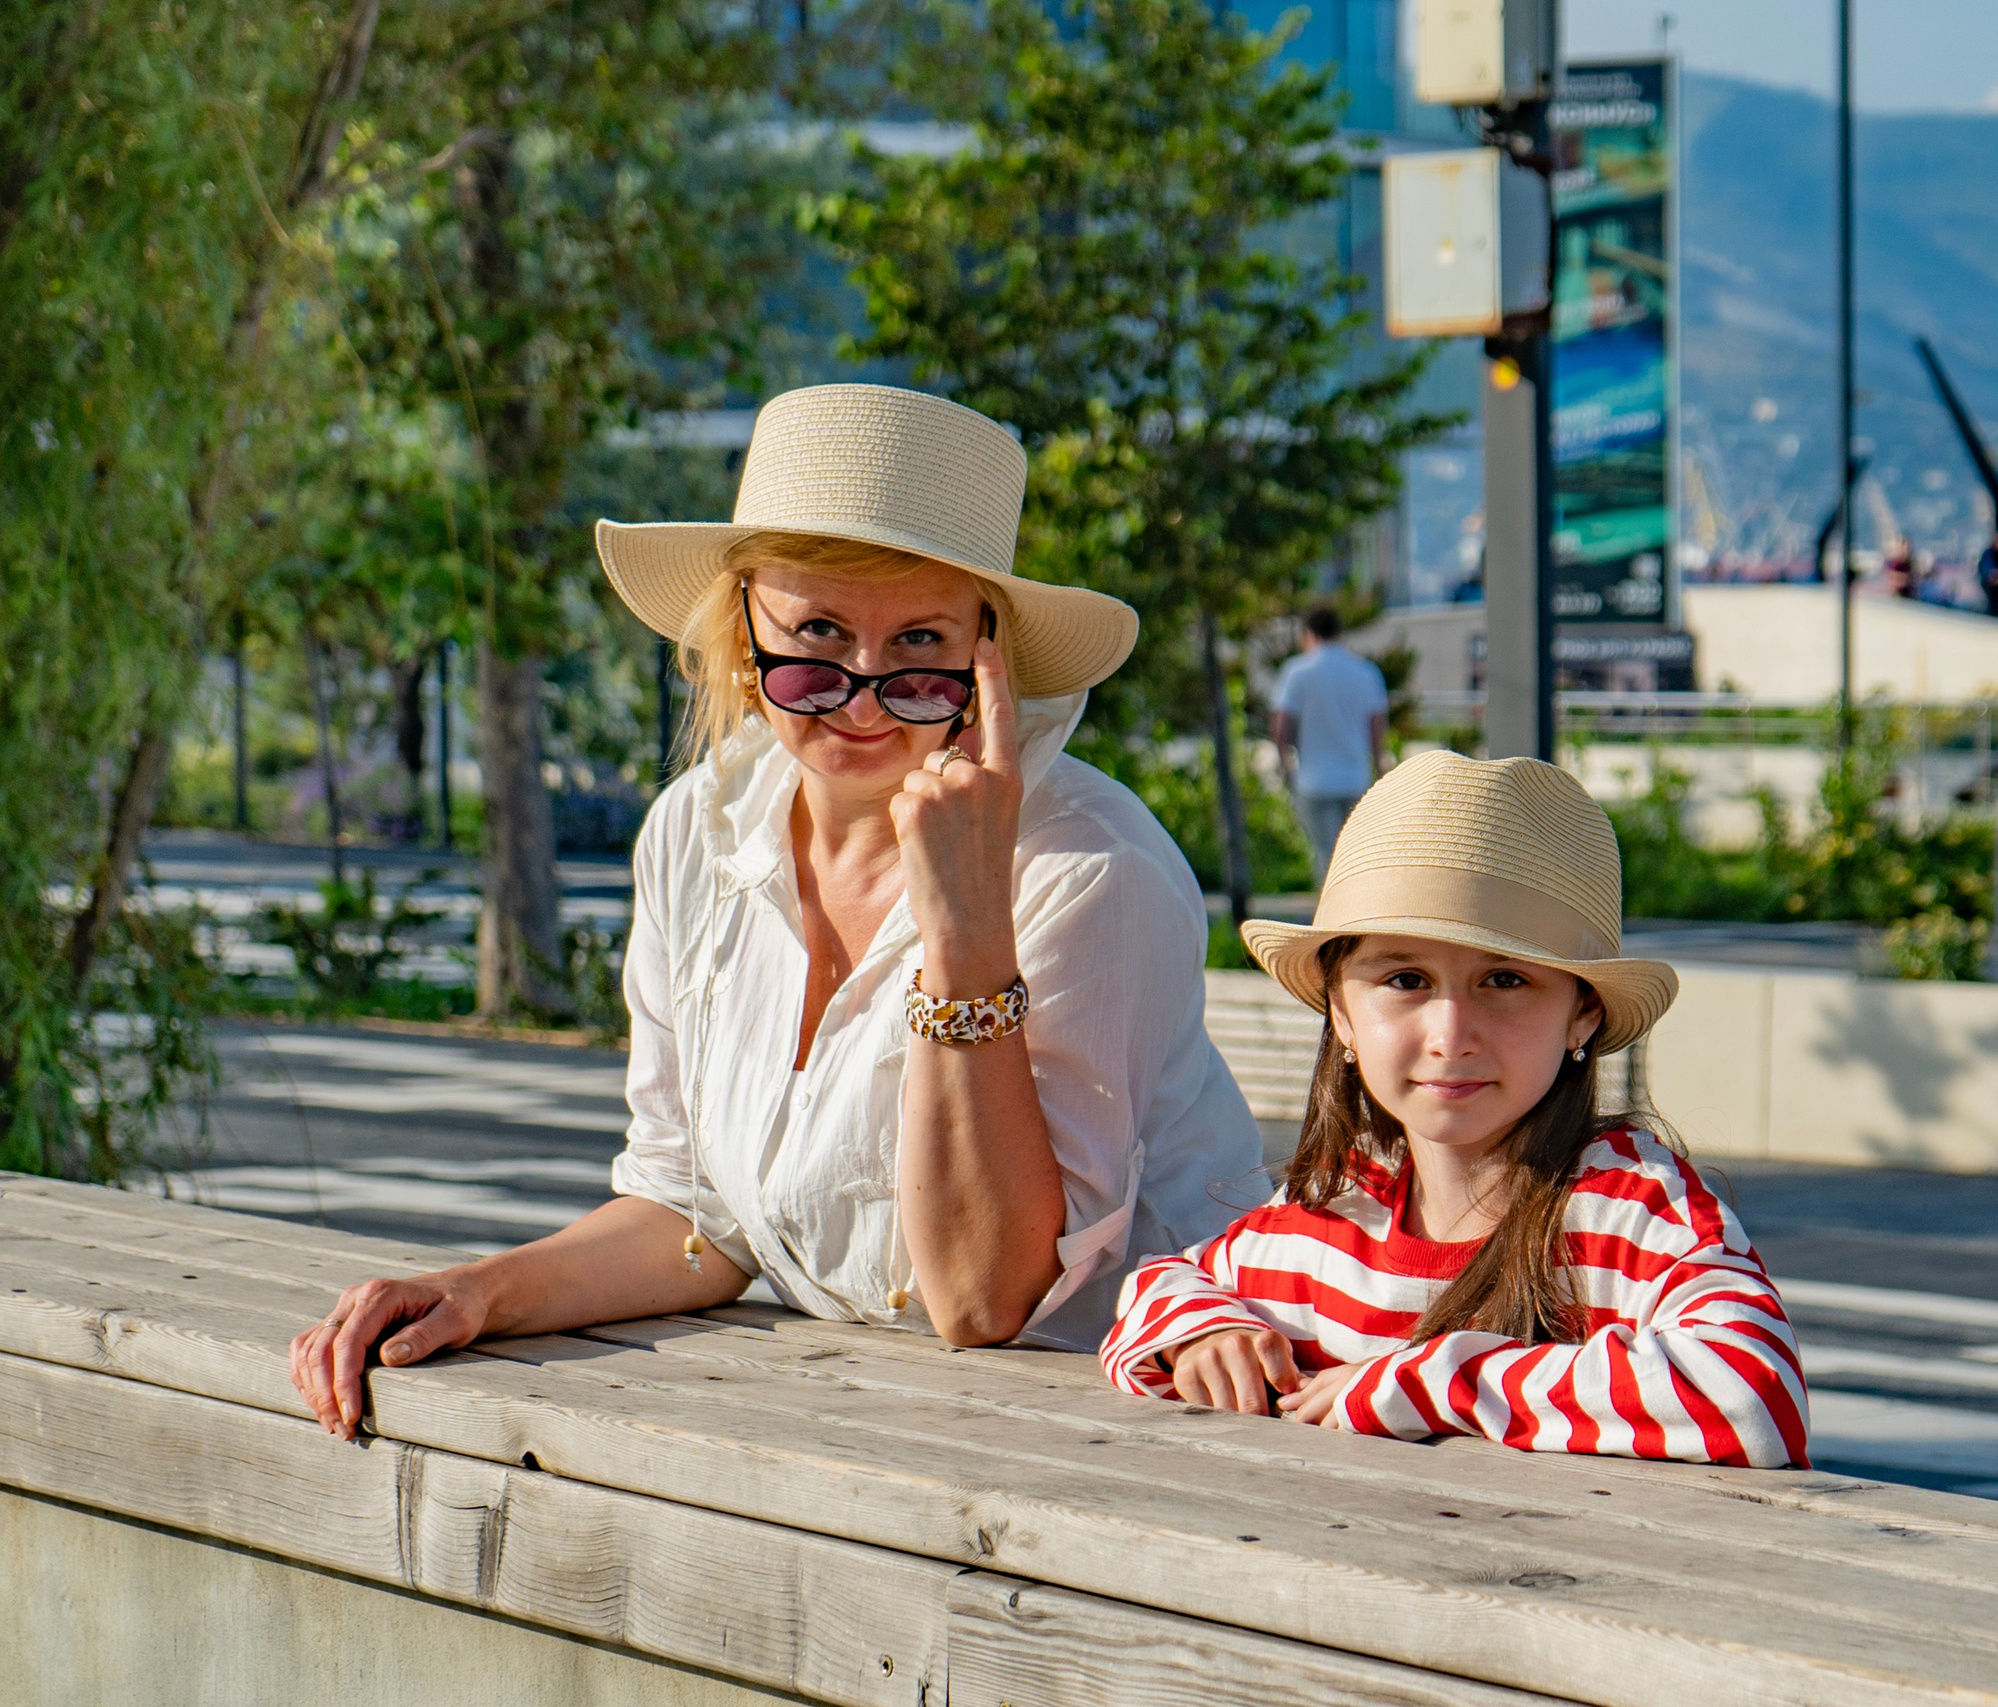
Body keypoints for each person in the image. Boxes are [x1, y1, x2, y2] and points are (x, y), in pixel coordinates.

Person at [290, 385, 1264, 1440]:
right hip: (869, 1420)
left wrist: (966, 925)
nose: (862, 693)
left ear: (991, 657)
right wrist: (477, 1291)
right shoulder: (696, 830)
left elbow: (986, 1300)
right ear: (742, 632)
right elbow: (695, 1220)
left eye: (920, 644)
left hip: (1143, 1433)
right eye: (818, 636)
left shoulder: (1089, 869)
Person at [1098, 752, 1809, 1466]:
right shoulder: (1338, 1209)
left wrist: (1432, 1381)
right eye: (1406, 979)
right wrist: (1205, 1334)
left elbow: (1755, 1396)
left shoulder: (1630, 1209)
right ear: (1341, 1013)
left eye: (1505, 980)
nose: (1450, 1035)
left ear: (1583, 1015)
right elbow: (1161, 1286)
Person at [1270, 607, 1388, 886]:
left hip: (1315, 780)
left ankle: (1330, 911)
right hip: (1355, 777)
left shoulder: (1298, 671)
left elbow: (1281, 726)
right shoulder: (1365, 671)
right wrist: (1378, 768)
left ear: (1309, 634)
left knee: (1326, 857)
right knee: (1354, 856)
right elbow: (1376, 727)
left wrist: (1284, 762)